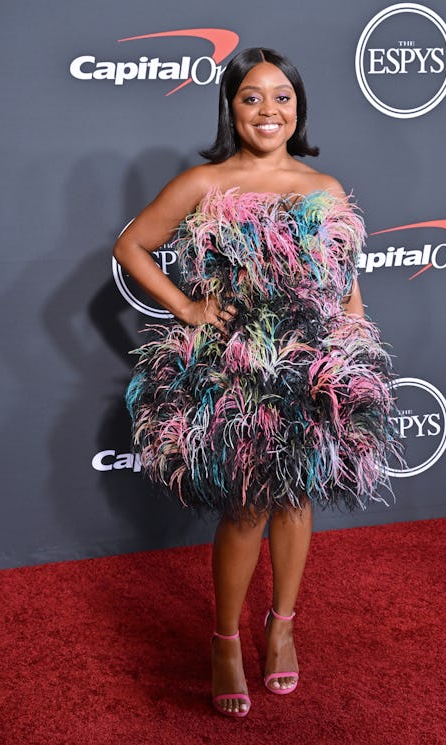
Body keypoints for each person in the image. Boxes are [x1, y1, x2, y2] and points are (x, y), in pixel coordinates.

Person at [113, 47, 397, 718]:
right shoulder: (204, 183)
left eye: (282, 98)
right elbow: (132, 246)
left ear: (299, 109)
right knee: (245, 510)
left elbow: (343, 282)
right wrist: (188, 309)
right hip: (238, 370)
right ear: (231, 107)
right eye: (252, 97)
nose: (268, 110)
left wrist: (354, 341)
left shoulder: (325, 188)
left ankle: (282, 626)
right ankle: (224, 642)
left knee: (298, 502)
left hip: (311, 364)